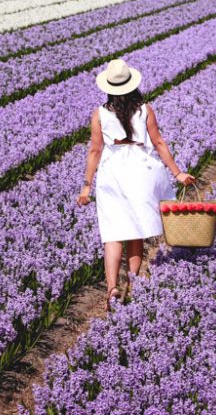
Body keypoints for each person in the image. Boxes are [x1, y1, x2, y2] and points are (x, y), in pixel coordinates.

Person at [77, 58, 194, 309]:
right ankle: (131, 284)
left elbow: (95, 151)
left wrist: (87, 185)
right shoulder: (145, 109)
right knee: (135, 232)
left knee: (112, 233)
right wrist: (178, 173)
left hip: (114, 173)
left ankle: (111, 290)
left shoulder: (99, 114)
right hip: (141, 171)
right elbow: (159, 143)